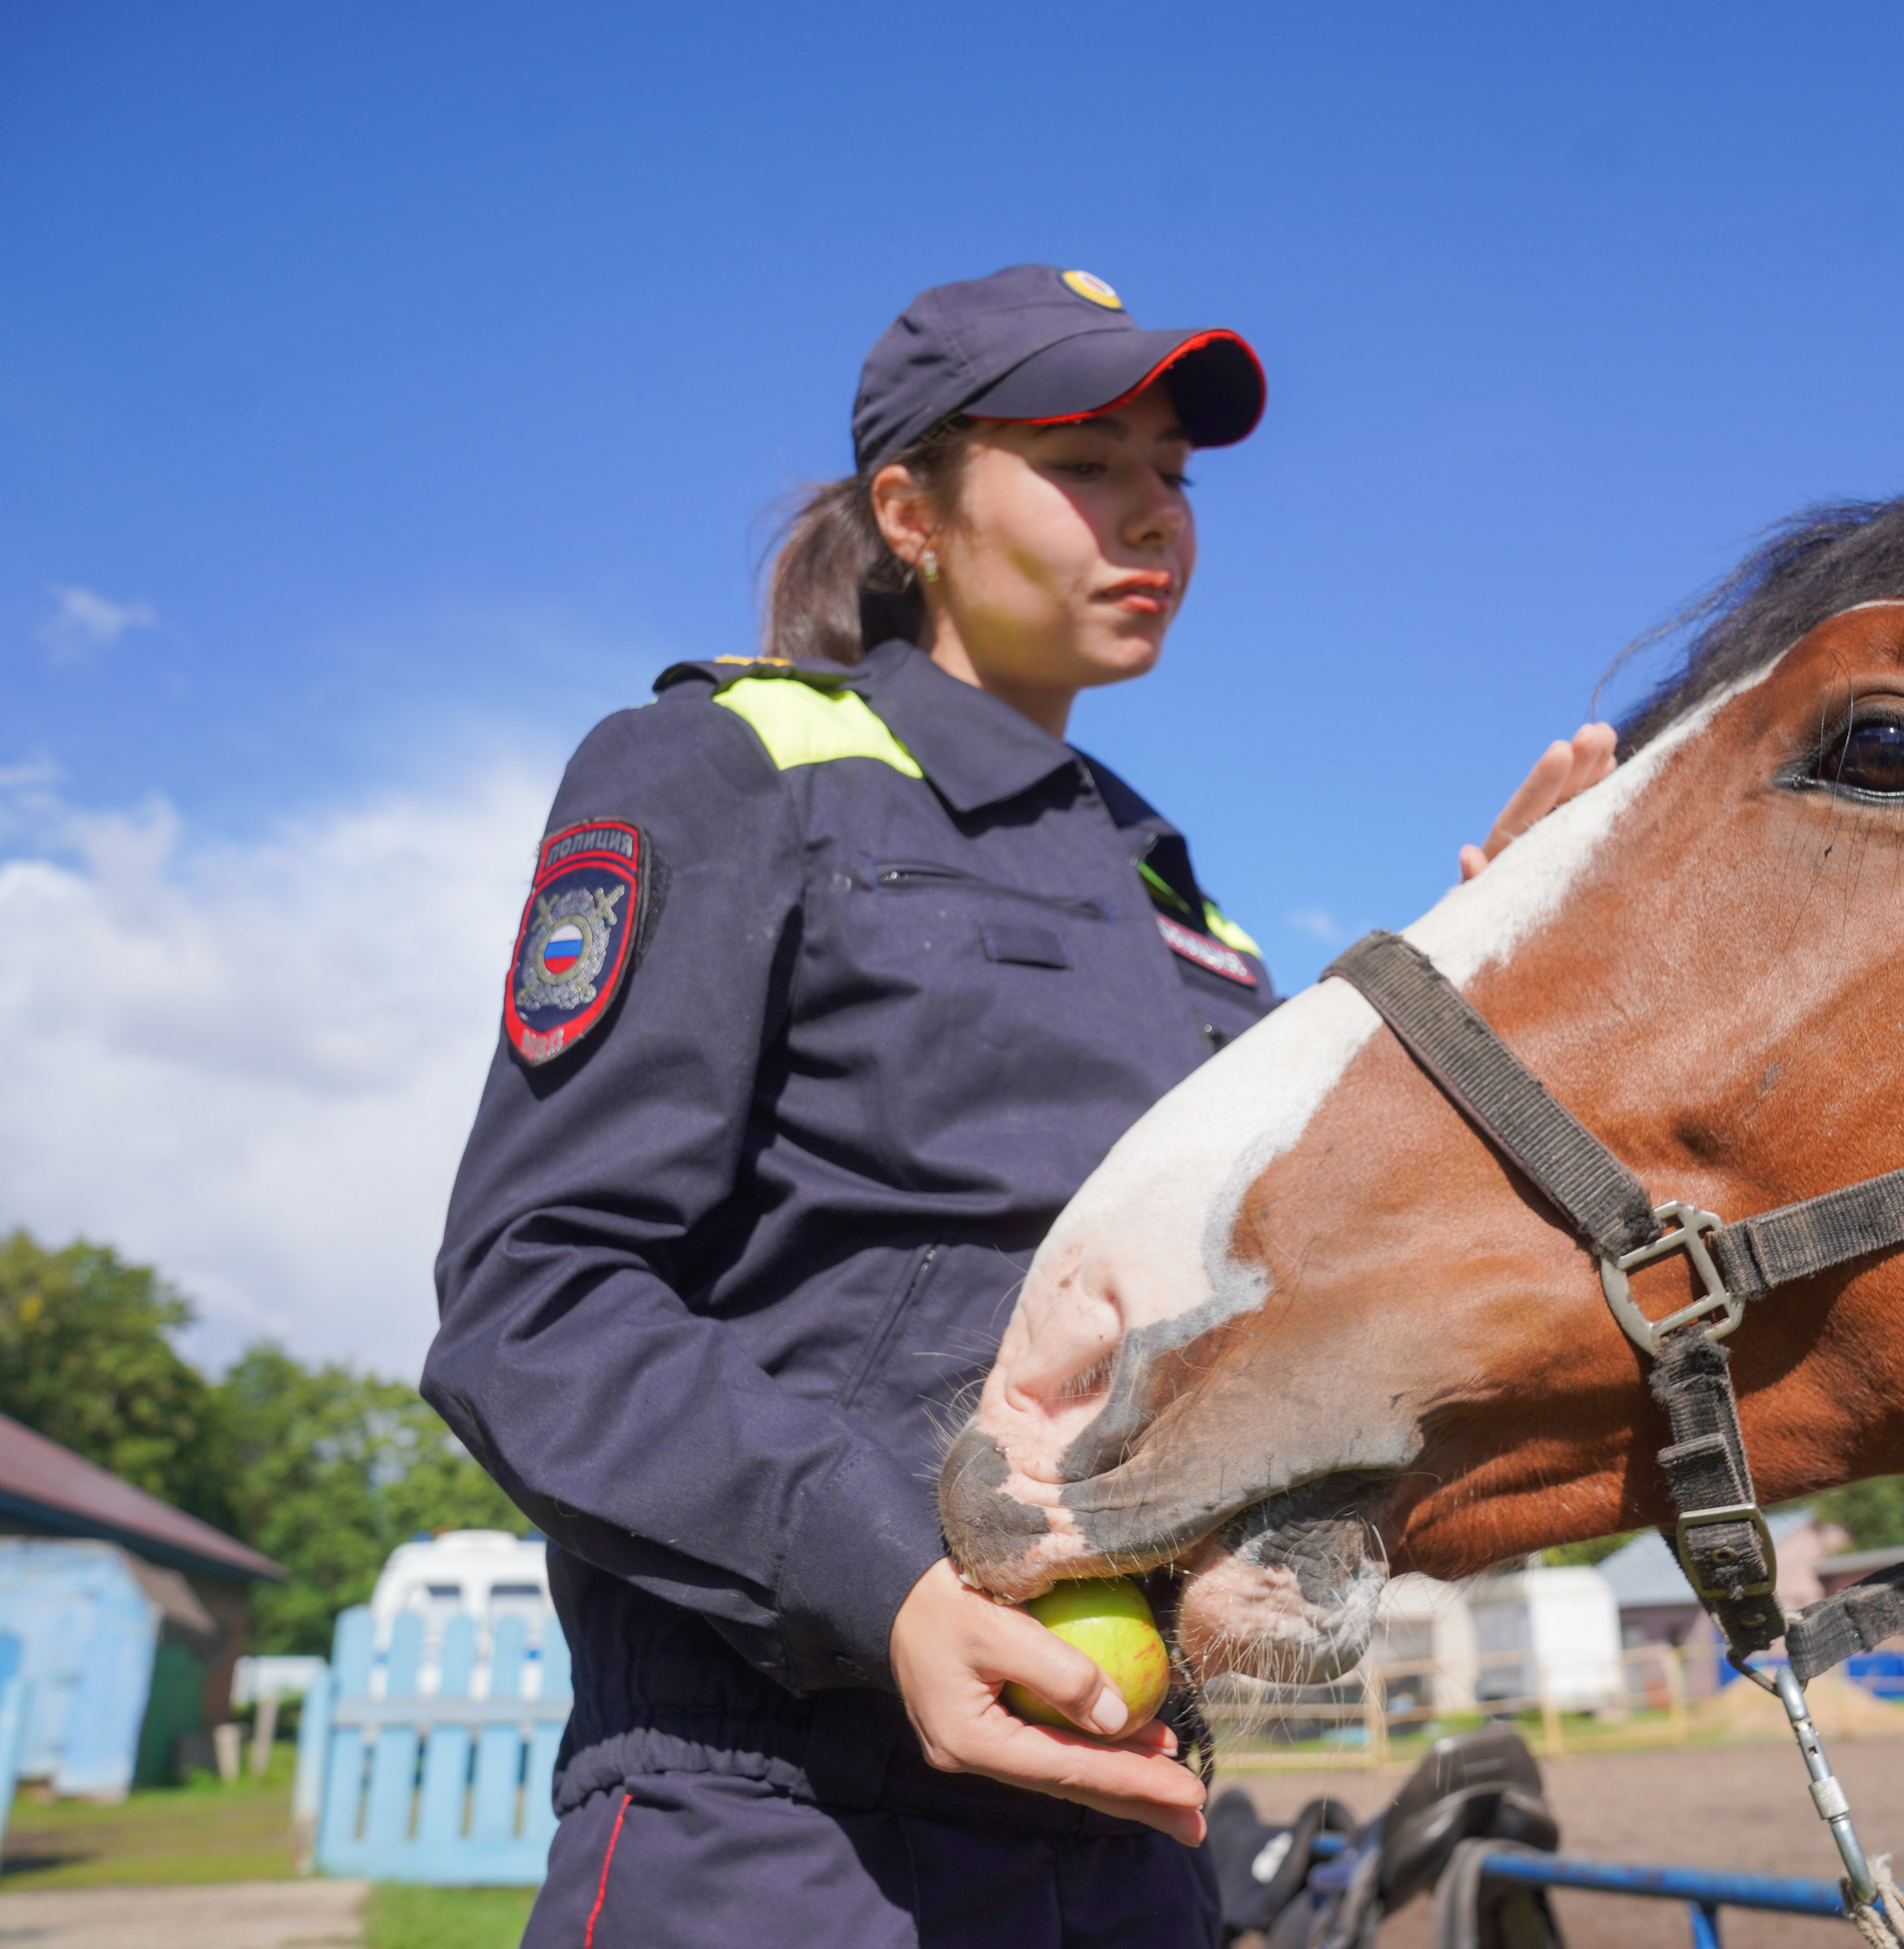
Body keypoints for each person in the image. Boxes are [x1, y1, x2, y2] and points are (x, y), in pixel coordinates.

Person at [426, 265, 1613, 1949]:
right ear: (910, 512)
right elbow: (534, 1303)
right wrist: (887, 1588)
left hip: (1131, 1832)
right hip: (775, 1829)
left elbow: (1265, 1316)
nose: (1155, 516)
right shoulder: (741, 766)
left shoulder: (1185, 910)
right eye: (1087, 466)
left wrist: (1476, 999)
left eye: (1173, 476)